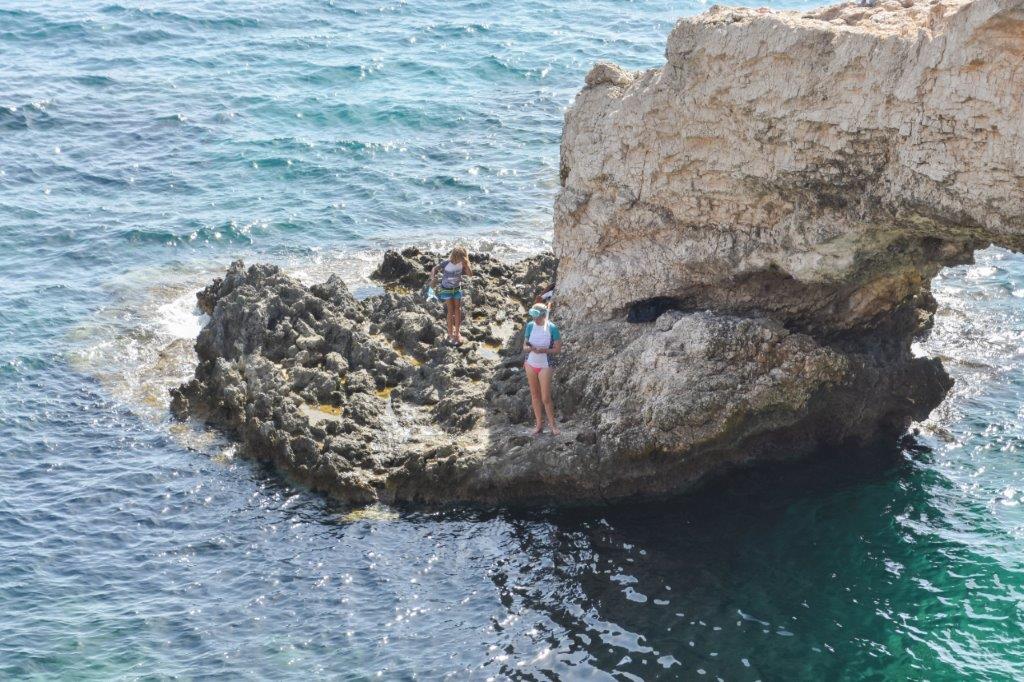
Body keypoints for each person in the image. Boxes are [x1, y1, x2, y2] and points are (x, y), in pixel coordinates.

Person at [522, 303, 561, 436]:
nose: (535, 319)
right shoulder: (530, 326)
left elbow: (557, 349)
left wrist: (544, 350)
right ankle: (539, 424)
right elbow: (524, 347)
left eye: (537, 317)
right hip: (530, 363)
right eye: (533, 316)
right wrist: (531, 348)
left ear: (544, 316)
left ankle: (553, 425)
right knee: (534, 395)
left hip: (546, 364)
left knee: (545, 397)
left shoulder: (552, 328)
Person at [430, 246, 473, 345]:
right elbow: (434, 268)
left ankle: (457, 332)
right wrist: (433, 278)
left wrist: (466, 265)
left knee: (458, 309)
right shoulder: (446, 263)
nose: (459, 260)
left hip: (457, 289)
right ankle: (450, 333)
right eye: (459, 257)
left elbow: (470, 275)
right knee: (450, 310)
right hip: (446, 289)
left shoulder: (463, 263)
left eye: (462, 257)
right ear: (454, 256)